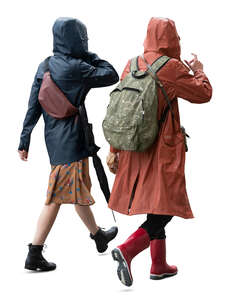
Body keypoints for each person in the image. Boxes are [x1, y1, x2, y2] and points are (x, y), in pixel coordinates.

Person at [106, 17, 212, 286]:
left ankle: (158, 264)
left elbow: (121, 109)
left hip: (132, 147)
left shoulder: (132, 63)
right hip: (160, 148)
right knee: (166, 207)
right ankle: (128, 250)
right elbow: (204, 94)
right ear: (173, 39)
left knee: (155, 203)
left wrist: (114, 149)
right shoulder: (172, 67)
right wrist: (198, 70)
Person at [18, 17, 119, 272]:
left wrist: (24, 140)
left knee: (78, 190)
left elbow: (33, 105)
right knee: (55, 198)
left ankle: (98, 236)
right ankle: (35, 252)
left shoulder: (45, 65)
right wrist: (88, 54)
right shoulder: (77, 67)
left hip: (54, 141)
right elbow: (111, 73)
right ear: (78, 39)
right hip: (72, 141)